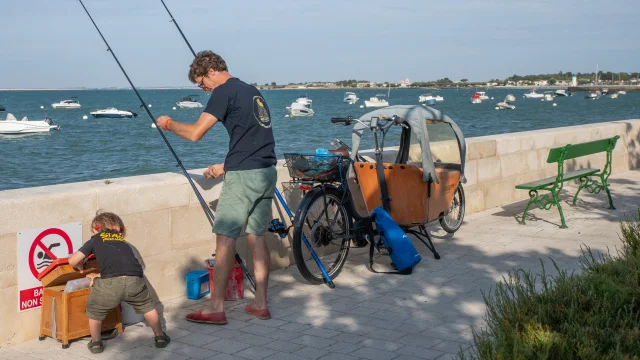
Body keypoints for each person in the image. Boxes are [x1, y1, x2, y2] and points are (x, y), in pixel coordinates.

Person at [155, 50, 277, 325]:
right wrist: (227, 164)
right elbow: (253, 136)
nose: (203, 89)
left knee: (225, 239)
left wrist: (169, 124)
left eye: (201, 83)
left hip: (244, 176)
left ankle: (215, 308)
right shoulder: (252, 91)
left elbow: (196, 133)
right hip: (266, 170)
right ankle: (260, 303)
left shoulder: (223, 92)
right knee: (257, 237)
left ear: (211, 72)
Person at [68, 211, 169, 353]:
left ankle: (96, 343)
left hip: (110, 285)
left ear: (95, 229)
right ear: (118, 229)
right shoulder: (123, 242)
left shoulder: (95, 239)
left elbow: (72, 260)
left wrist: (81, 266)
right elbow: (122, 266)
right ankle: (160, 336)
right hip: (136, 280)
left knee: (95, 309)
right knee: (147, 306)